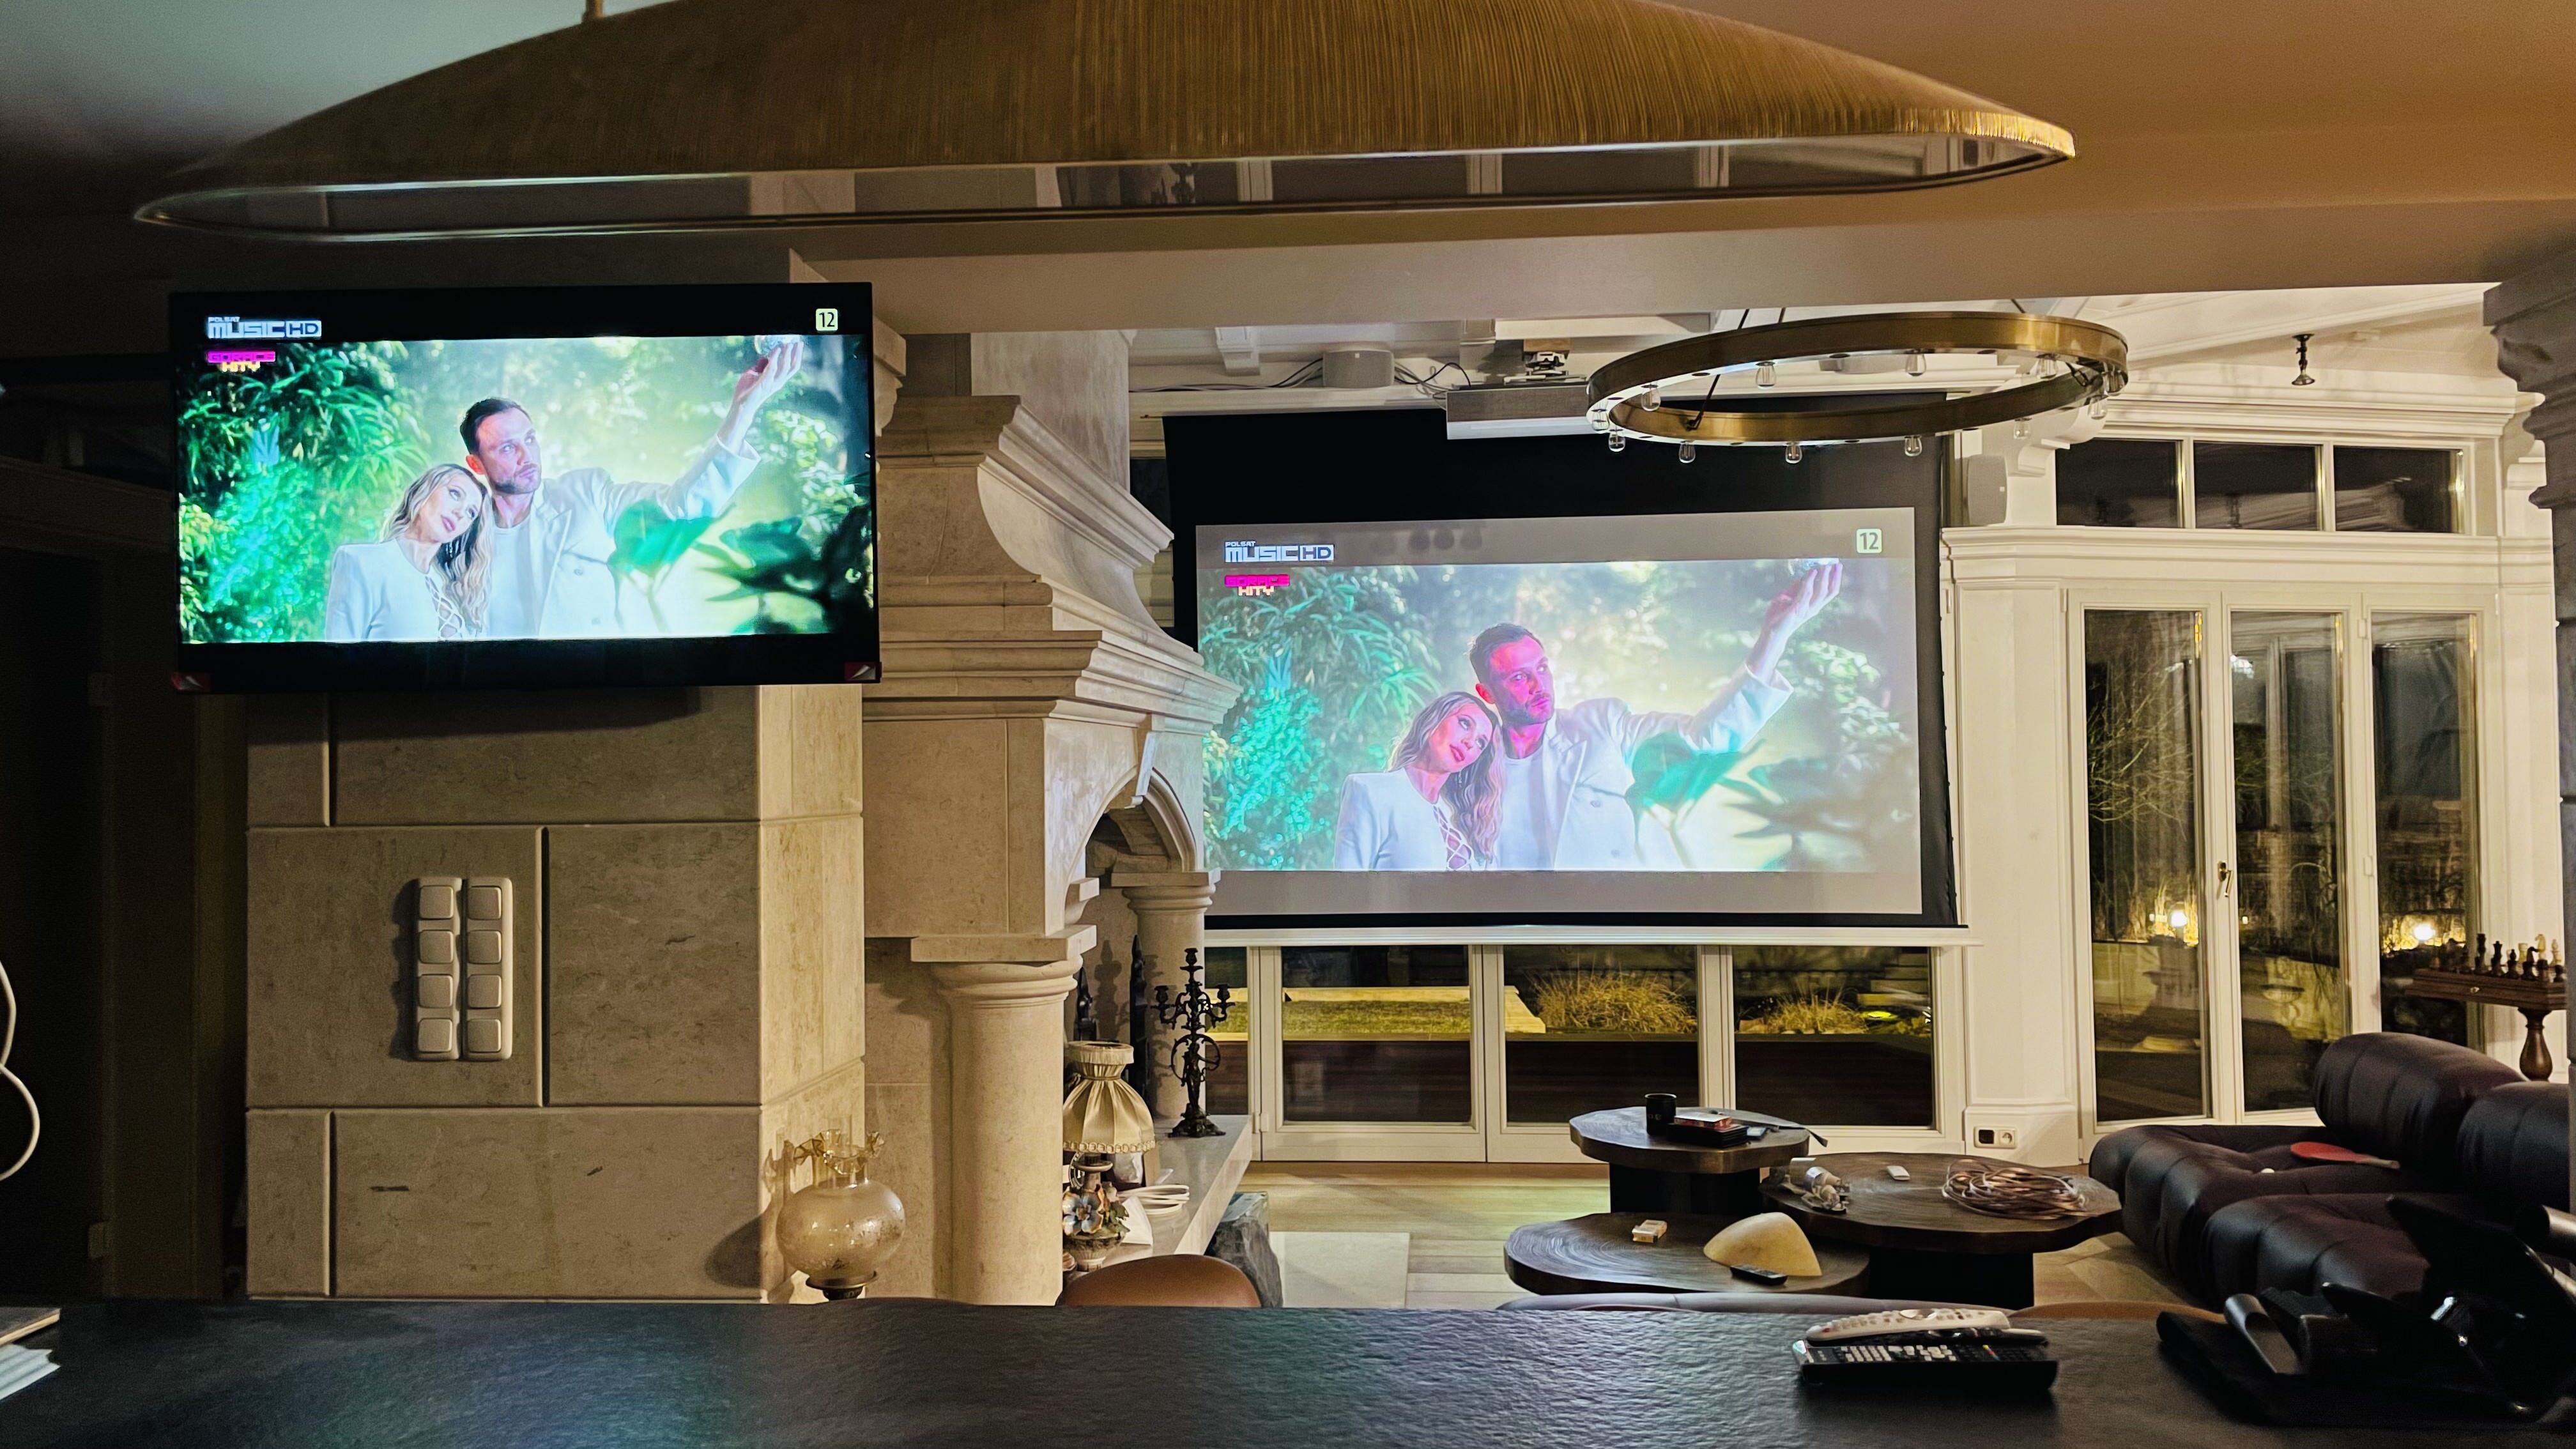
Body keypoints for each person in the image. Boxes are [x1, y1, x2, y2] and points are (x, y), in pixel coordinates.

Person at [1471, 560, 1843, 870]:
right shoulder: (1471, 765)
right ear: (1487, 693)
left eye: (1542, 668)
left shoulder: (1601, 724)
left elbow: (1705, 739)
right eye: (1518, 677)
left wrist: (1775, 636)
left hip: (1622, 916)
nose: (1538, 685)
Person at [459, 337, 804, 639]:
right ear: (476, 464)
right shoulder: (461, 533)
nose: (527, 456)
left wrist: (743, 410)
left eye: (530, 439)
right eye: (508, 448)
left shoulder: (586, 493)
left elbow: (681, 508)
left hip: (602, 677)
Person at [323, 463, 494, 642]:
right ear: (426, 490)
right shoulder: (361, 562)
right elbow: (340, 653)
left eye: (471, 513)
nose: (460, 513)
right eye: (455, 494)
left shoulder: (456, 592)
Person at [1334, 692, 1503, 871]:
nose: (1470, 743)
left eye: (1480, 743)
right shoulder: (1369, 791)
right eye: (1465, 723)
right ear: (1436, 719)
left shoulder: (1469, 822)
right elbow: (1348, 883)